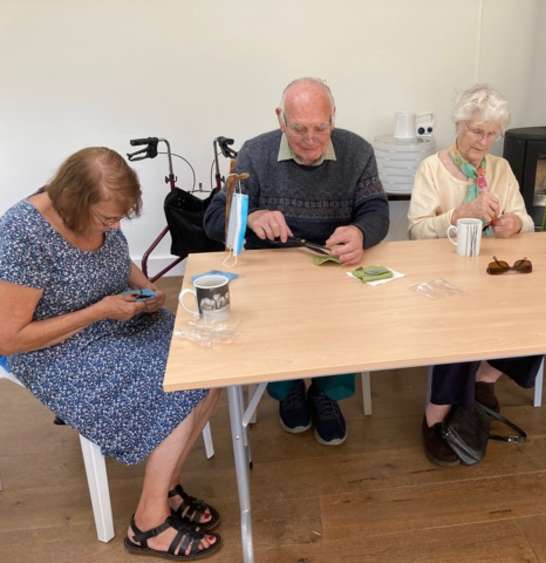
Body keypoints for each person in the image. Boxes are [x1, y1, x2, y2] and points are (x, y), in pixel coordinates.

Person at [0, 148, 223, 560]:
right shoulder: (21, 235)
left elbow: (118, 262)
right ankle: (147, 523)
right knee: (173, 390)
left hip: (116, 318)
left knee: (207, 362)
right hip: (56, 349)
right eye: (108, 220)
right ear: (73, 202)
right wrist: (99, 311)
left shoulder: (100, 209)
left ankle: (167, 485)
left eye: (121, 218)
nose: (115, 226)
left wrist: (146, 289)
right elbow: (10, 340)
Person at [204, 77, 389, 446]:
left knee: (344, 314)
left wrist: (360, 233)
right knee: (274, 314)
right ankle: (287, 388)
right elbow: (212, 219)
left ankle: (326, 394)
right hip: (274, 275)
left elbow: (376, 209)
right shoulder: (255, 153)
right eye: (299, 128)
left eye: (321, 128)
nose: (311, 139)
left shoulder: (357, 151)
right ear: (281, 119)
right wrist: (251, 217)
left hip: (333, 269)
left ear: (333, 118)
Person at [407, 83, 542, 466]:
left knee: (544, 315)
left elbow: (527, 222)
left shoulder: (500, 169)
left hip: (494, 272)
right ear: (459, 126)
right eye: (476, 131)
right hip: (443, 275)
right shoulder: (432, 169)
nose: (483, 141)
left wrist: (514, 224)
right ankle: (435, 416)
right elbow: (416, 229)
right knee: (457, 328)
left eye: (491, 133)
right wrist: (459, 215)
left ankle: (485, 377)